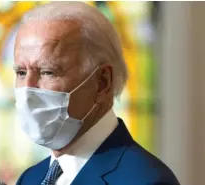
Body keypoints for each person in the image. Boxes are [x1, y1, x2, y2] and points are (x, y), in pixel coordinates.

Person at [13, 2, 180, 185]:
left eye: (47, 72)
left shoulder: (146, 180)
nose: (27, 89)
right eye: (21, 73)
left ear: (102, 83)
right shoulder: (30, 178)